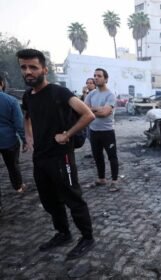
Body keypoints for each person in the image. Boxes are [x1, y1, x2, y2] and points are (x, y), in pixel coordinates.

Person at [17, 48, 95, 260]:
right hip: (40, 158)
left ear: (44, 69)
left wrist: (67, 134)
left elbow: (88, 115)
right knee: (50, 200)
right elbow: (27, 116)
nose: (28, 72)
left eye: (33, 67)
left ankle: (87, 237)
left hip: (62, 156)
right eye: (23, 67)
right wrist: (28, 137)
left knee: (73, 198)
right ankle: (63, 233)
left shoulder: (59, 92)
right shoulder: (28, 96)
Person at [84, 68, 119, 192]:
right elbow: (84, 110)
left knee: (112, 156)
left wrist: (91, 110)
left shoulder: (110, 95)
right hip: (94, 131)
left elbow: (105, 113)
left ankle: (114, 181)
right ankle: (101, 178)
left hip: (107, 131)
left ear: (106, 79)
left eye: (99, 75)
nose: (96, 77)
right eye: (95, 75)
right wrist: (97, 109)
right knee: (97, 156)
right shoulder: (91, 94)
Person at [0, 74, 27, 212]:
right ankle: (18, 187)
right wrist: (24, 140)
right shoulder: (11, 101)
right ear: (2, 83)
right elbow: (19, 123)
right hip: (8, 140)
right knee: (13, 165)